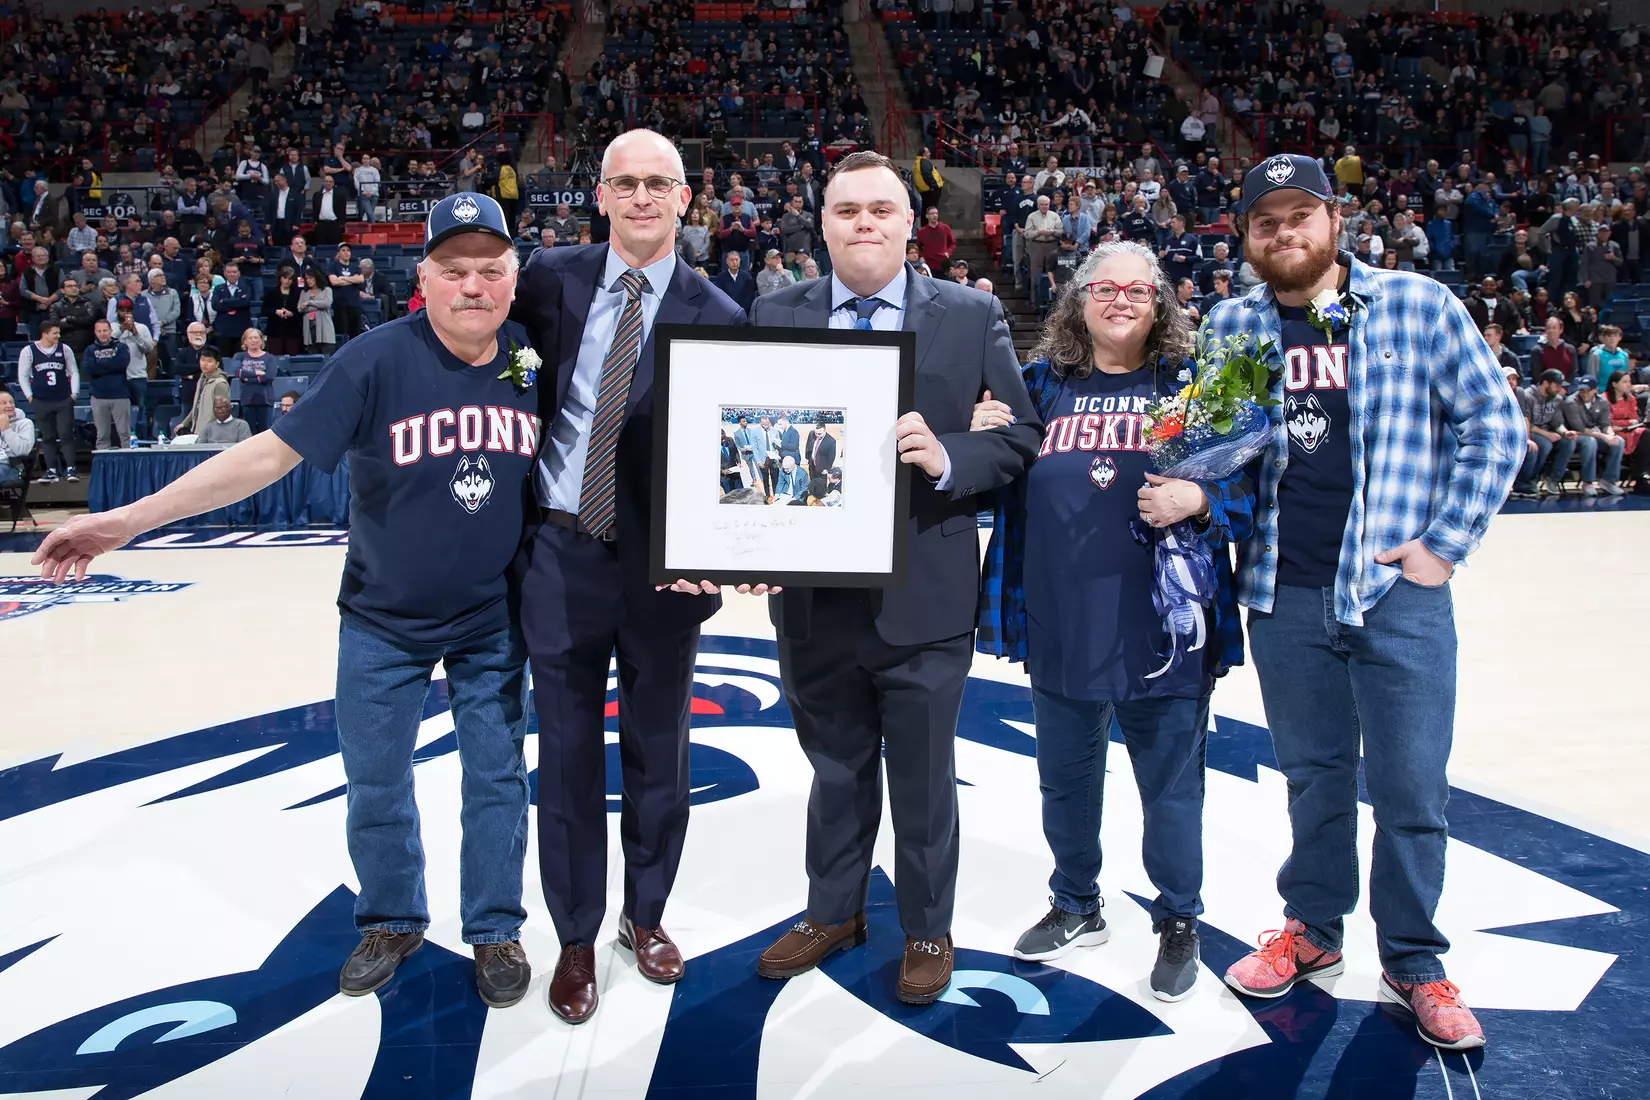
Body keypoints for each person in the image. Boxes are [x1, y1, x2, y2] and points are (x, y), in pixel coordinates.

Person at [33, 193, 542, 1013]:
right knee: (375, 782)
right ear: (424, 278)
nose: (473, 287)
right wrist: (128, 519)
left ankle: (494, 929)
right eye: (455, 271)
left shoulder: (532, 355)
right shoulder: (375, 361)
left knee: (497, 780)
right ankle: (391, 919)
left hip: (492, 619)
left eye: (491, 270)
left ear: (516, 281)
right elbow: (267, 457)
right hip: (383, 617)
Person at [1204, 154, 1523, 1052]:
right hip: (1282, 591)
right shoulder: (1234, 323)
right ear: (1247, 237)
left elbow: (1494, 424)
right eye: (1265, 221)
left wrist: (1443, 547)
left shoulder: (1415, 304)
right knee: (1313, 778)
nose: (1283, 232)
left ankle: (1416, 960)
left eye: (1300, 214)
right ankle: (1312, 928)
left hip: (1393, 593)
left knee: (1413, 788)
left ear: (1336, 221)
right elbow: (1216, 447)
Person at [732, 151, 1040, 1005]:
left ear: (911, 223)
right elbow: (750, 443)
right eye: (845, 211)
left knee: (924, 777)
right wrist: (750, 543)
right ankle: (833, 910)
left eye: (880, 209)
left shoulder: (973, 314)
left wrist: (951, 454)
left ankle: (927, 927)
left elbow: (1020, 436)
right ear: (820, 224)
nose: (864, 223)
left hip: (926, 594)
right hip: (812, 598)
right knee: (833, 768)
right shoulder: (774, 312)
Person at [507, 129, 746, 1026]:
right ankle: (574, 935)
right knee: (564, 755)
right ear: (600, 195)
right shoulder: (547, 280)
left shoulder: (720, 313)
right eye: (625, 183)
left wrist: (723, 556)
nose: (642, 197)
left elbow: (731, 460)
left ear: (687, 198)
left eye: (659, 183)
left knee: (660, 753)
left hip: (661, 569)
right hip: (561, 553)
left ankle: (644, 917)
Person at [973, 240, 1251, 1000]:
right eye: (1105, 288)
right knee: (1065, 782)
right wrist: (977, 426)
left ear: (1159, 302)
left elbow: (1254, 485)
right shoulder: (1040, 384)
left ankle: (1178, 917)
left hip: (1164, 628)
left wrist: (1202, 502)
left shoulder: (1194, 386)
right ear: (1079, 300)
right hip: (1061, 620)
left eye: (1137, 289)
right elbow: (995, 470)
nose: (1120, 300)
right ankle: (1075, 902)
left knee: (1170, 789)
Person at [17, 319, 78, 483]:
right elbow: (22, 375)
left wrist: (75, 393)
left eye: (58, 332)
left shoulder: (65, 349)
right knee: (48, 436)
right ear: (44, 334)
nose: (58, 335)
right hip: (41, 400)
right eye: (55, 333)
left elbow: (73, 371)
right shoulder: (28, 351)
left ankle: (71, 469)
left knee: (66, 435)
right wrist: (29, 396)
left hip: (63, 399)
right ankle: (51, 470)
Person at [1514, 368, 1577, 498]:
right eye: (1557, 385)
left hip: (1546, 431)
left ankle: (1552, 479)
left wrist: (1565, 433)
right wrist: (1547, 434)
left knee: (1568, 443)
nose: (1559, 389)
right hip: (1529, 431)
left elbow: (1557, 422)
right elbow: (1526, 423)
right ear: (1546, 383)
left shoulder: (1556, 399)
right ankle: (1529, 481)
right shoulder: (1527, 395)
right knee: (1544, 444)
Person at [1563, 375, 1625, 496]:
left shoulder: (1602, 402)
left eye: (1588, 390)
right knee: (1590, 442)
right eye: (1582, 390)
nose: (1584, 393)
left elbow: (1605, 424)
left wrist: (1610, 434)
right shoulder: (1571, 402)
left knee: (1619, 441)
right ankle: (1588, 482)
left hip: (1595, 433)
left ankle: (1608, 481)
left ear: (1595, 390)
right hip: (1575, 435)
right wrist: (1603, 436)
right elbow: (1579, 428)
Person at [84, 318, 131, 449]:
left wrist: (100, 365)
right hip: (98, 396)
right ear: (95, 332)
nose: (102, 333)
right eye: (99, 331)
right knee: (102, 434)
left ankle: (128, 461)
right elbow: (88, 369)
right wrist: (111, 364)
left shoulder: (121, 347)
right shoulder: (89, 350)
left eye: (105, 330)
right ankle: (104, 464)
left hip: (120, 395)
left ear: (110, 331)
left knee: (124, 433)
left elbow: (121, 364)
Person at [113, 298, 156, 440]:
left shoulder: (142, 328)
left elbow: (149, 348)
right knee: (121, 412)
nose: (125, 313)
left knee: (140, 410)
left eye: (128, 310)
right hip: (118, 377)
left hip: (137, 376)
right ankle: (124, 439)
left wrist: (135, 333)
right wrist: (122, 330)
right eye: (122, 310)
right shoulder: (112, 328)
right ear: (117, 311)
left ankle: (140, 438)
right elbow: (108, 346)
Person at [174, 345, 230, 438]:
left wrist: (208, 430)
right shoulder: (201, 380)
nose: (205, 364)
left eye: (209, 361)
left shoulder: (220, 383)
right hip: (198, 430)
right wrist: (185, 423)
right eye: (203, 360)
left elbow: (222, 412)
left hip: (212, 434)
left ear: (217, 364)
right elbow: (197, 406)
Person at [235, 326, 279, 435]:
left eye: (256, 337)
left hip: (265, 400)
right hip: (247, 400)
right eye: (250, 338)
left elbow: (269, 377)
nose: (253, 340)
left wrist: (247, 378)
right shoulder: (239, 356)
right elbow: (237, 373)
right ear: (244, 341)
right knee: (249, 434)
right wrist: (258, 373)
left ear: (261, 340)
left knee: (266, 434)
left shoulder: (270, 358)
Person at [210, 262, 254, 356]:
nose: (232, 274)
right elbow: (215, 305)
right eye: (229, 272)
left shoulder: (246, 287)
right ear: (225, 274)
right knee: (224, 359)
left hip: (241, 330)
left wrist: (224, 301)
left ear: (239, 273)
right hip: (223, 330)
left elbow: (244, 302)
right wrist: (236, 302)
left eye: (234, 272)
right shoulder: (218, 288)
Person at [264, 265, 304, 355]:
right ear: (280, 278)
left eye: (290, 279)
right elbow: (265, 310)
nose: (287, 281)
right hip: (274, 332)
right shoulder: (271, 292)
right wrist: (276, 311)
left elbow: (301, 312)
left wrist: (291, 314)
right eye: (285, 278)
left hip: (292, 332)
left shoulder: (298, 293)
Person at [299, 269, 337, 355]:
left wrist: (309, 302)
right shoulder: (304, 293)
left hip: (325, 331)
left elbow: (327, 304)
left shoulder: (327, 290)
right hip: (309, 330)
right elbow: (300, 308)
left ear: (317, 277)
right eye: (306, 278)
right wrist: (319, 305)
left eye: (311, 278)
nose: (308, 280)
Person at [0, 390, 33, 487]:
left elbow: (22, 451)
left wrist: (6, 429)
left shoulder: (25, 424)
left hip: (12, 467)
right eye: (4, 403)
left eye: (11, 402)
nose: (9, 405)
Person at [916, 205, 955, 274]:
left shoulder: (945, 228)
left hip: (943, 263)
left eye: (936, 213)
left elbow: (952, 243)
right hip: (930, 263)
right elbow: (918, 246)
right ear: (927, 216)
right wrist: (921, 256)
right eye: (932, 213)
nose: (935, 215)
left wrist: (948, 252)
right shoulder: (922, 231)